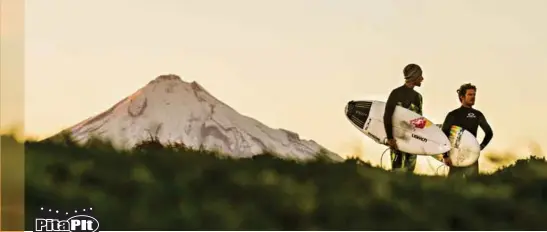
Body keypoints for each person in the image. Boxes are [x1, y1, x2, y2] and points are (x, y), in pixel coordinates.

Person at [441, 83, 494, 178]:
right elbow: (444, 134)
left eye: (474, 94)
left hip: (471, 156)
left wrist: (480, 147)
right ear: (462, 97)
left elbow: (489, 133)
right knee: (452, 186)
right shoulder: (453, 114)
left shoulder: (477, 115)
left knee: (473, 186)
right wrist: (445, 156)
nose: (473, 97)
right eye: (470, 94)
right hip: (455, 155)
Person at [383, 63, 424, 172]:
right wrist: (390, 138)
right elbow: (387, 116)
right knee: (396, 172)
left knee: (409, 175)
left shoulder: (418, 97)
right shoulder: (396, 93)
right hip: (397, 141)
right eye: (420, 76)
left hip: (412, 142)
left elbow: (419, 122)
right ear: (414, 77)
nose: (422, 79)